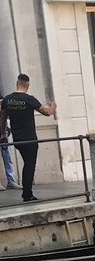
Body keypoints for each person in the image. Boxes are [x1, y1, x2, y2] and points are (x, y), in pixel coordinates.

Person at [0, 74, 56, 203]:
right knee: (30, 165)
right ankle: (27, 194)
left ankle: (27, 193)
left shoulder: (7, 100)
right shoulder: (30, 99)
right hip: (30, 138)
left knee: (27, 164)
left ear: (17, 83)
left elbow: (2, 119)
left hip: (17, 139)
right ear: (28, 85)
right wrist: (53, 105)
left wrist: (3, 134)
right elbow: (47, 112)